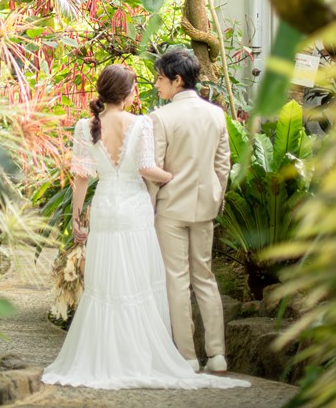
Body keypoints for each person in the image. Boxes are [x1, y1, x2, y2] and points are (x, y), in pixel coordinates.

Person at [42, 64, 249, 390]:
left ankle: (115, 356)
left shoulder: (86, 127)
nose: (141, 91)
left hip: (107, 208)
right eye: (136, 87)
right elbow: (146, 168)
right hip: (135, 209)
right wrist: (173, 178)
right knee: (141, 282)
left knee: (106, 284)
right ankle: (174, 355)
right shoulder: (141, 123)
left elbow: (80, 177)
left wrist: (78, 217)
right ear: (125, 93)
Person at [150, 48, 231, 374]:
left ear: (177, 79)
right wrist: (216, 195)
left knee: (177, 280)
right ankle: (218, 355)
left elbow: (154, 168)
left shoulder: (162, 117)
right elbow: (222, 164)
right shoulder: (216, 114)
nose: (157, 85)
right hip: (205, 206)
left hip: (171, 207)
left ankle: (186, 357)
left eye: (159, 78)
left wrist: (151, 204)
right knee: (205, 278)